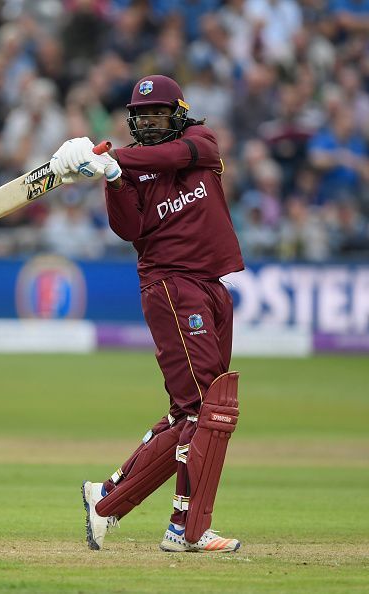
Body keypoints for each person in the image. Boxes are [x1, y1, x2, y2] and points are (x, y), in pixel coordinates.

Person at [50, 75, 245, 553]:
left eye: (159, 113)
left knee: (192, 412)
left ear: (179, 113)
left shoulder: (200, 142)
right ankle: (186, 529)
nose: (150, 122)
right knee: (207, 410)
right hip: (171, 285)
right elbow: (129, 228)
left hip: (211, 286)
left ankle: (106, 501)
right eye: (141, 116)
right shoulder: (131, 170)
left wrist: (108, 159)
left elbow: (172, 157)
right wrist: (113, 178)